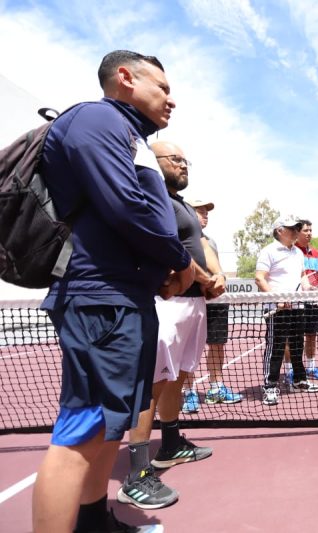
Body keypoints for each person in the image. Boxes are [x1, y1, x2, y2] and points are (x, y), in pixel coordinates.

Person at [33, 50, 199, 533]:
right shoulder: (96, 119)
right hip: (98, 299)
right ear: (125, 78)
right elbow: (126, 205)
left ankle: (93, 522)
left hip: (126, 297)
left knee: (108, 427)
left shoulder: (130, 135)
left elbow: (133, 211)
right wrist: (179, 258)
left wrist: (157, 271)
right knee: (81, 430)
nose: (171, 98)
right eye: (163, 88)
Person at [119, 141, 222, 510]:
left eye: (185, 159)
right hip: (167, 302)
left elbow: (200, 243)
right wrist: (205, 278)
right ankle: (136, 473)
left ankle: (171, 444)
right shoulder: (151, 196)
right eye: (175, 159)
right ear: (155, 162)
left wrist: (216, 274)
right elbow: (166, 247)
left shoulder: (181, 205)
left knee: (178, 375)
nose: (183, 164)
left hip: (193, 302)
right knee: (154, 381)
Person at [255, 216, 318, 406]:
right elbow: (260, 278)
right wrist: (278, 299)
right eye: (292, 228)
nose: (296, 231)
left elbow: (302, 278)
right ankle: (270, 386)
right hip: (277, 310)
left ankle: (299, 380)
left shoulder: (298, 254)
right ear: (279, 230)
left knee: (297, 345)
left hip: (298, 307)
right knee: (275, 347)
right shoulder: (268, 251)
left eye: (297, 228)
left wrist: (310, 290)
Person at [184, 199, 243, 408]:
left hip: (215, 301)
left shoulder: (212, 242)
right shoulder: (179, 238)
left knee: (217, 345)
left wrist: (220, 280)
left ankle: (216, 388)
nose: (205, 216)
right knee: (187, 347)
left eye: (206, 213)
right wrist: (205, 283)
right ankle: (188, 392)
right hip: (190, 300)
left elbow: (216, 270)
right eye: (200, 212)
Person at [293, 219, 318, 380]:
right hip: (297, 301)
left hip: (313, 301)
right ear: (297, 232)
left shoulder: (316, 253)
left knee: (312, 335)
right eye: (305, 230)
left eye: (310, 230)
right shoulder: (292, 252)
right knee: (293, 337)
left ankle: (311, 367)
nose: (309, 233)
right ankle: (290, 370)